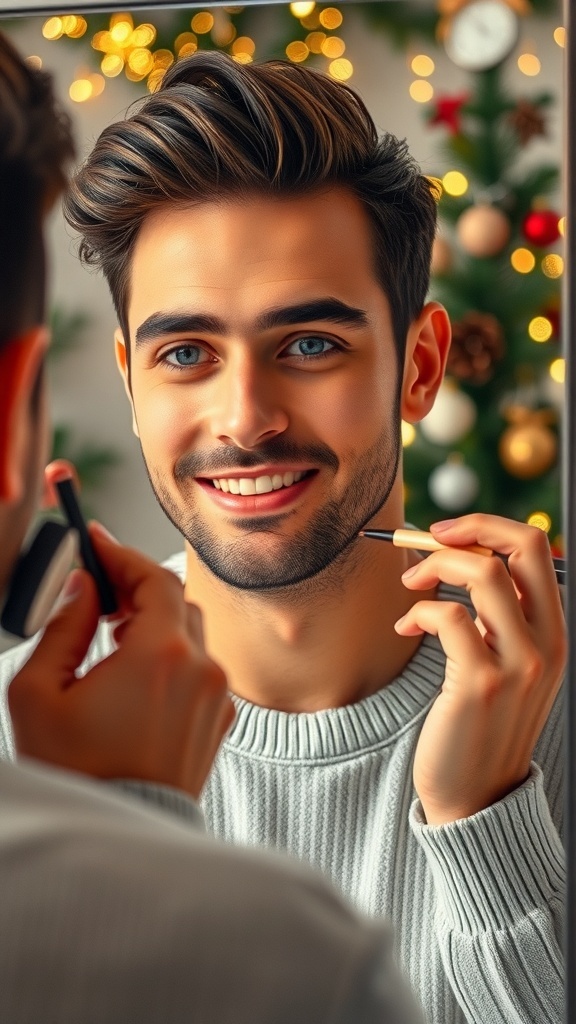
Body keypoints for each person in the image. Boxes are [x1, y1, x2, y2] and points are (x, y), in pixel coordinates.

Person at [0, 47, 565, 1024]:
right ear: (133, 382)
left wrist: (489, 823)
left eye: (309, 345)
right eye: (187, 354)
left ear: (421, 366)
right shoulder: (17, 735)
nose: (245, 417)